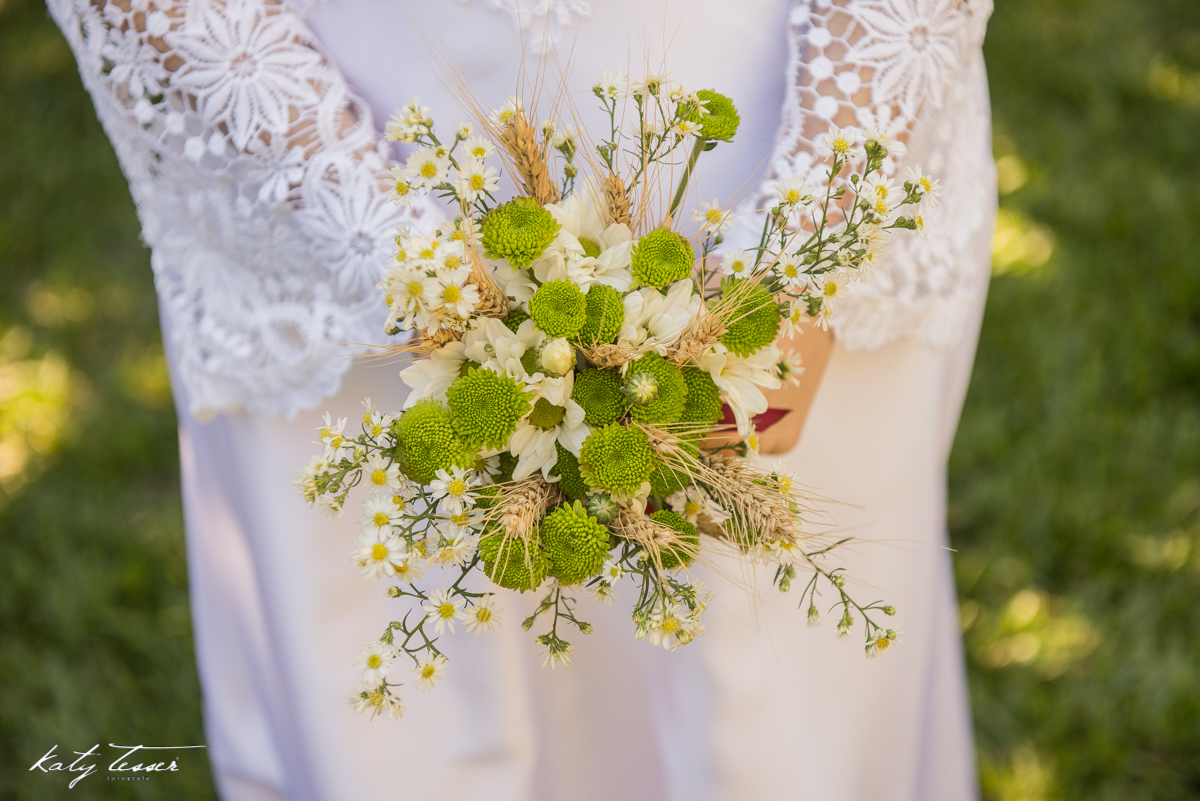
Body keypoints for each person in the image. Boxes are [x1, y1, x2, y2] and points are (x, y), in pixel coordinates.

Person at [49, 0, 995, 798]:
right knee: (403, 706)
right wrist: (370, 235)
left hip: (784, 122)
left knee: (775, 698)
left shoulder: (810, 200)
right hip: (316, 149)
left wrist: (810, 231)